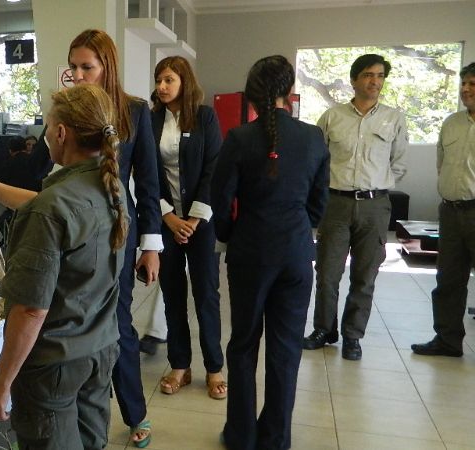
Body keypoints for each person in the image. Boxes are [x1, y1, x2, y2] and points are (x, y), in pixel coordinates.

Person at [0, 84, 128, 449]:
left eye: (48, 126)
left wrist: (0, 384)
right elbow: (44, 206)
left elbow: (31, 309)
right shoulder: (108, 186)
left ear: (61, 132)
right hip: (99, 351)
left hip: (54, 366)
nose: (45, 134)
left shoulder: (55, 206)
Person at [27, 29, 162, 448]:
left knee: (117, 323)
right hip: (73, 225)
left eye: (88, 67)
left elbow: (150, 183)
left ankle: (134, 410)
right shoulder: (65, 108)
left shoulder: (136, 111)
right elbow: (39, 165)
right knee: (74, 316)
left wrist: (151, 246)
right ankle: (88, 397)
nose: (80, 74)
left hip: (118, 230)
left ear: (107, 67)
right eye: (75, 67)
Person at [211, 55, 329, 450]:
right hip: (296, 254)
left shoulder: (240, 138)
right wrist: (298, 228)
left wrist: (229, 235)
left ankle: (241, 437)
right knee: (286, 349)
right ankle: (275, 439)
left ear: (255, 92)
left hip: (250, 253)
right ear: (289, 91)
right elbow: (319, 203)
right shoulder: (313, 138)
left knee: (243, 344)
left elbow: (221, 197)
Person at [303, 53, 408, 361]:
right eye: (367, 75)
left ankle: (353, 335)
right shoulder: (332, 117)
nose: (374, 81)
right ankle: (324, 329)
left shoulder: (394, 118)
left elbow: (399, 163)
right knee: (327, 272)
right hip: (335, 203)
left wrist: (377, 183)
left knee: (365, 275)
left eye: (379, 76)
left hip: (375, 206)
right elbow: (317, 161)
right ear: (354, 80)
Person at [148, 56, 226, 399]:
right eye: (159, 80)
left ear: (184, 82)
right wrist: (168, 216)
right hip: (166, 221)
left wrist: (193, 219)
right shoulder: (150, 120)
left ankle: (214, 367)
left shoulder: (205, 116)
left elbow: (215, 167)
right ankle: (180, 364)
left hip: (201, 222)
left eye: (169, 80)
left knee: (206, 294)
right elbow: (147, 173)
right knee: (173, 293)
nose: (162, 87)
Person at [412, 62, 475, 358]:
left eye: (473, 83)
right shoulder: (452, 122)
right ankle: (448, 341)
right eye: (463, 83)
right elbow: (442, 164)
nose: (465, 89)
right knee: (448, 280)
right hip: (450, 211)